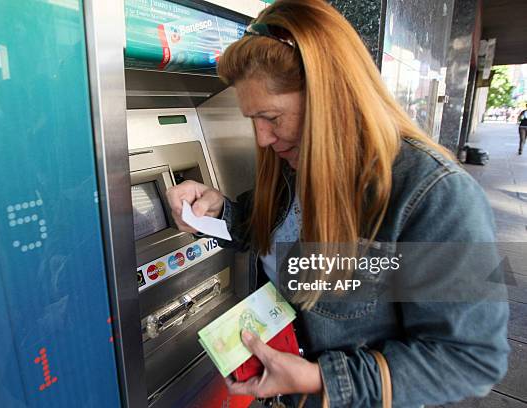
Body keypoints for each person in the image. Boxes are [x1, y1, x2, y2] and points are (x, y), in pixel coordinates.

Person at [166, 0, 509, 406]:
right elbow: (277, 238)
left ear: (332, 97)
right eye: (252, 120)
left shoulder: (434, 194)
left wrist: (318, 379)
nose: (262, 138)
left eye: (272, 118)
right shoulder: (294, 166)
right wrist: (220, 208)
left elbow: (470, 358)